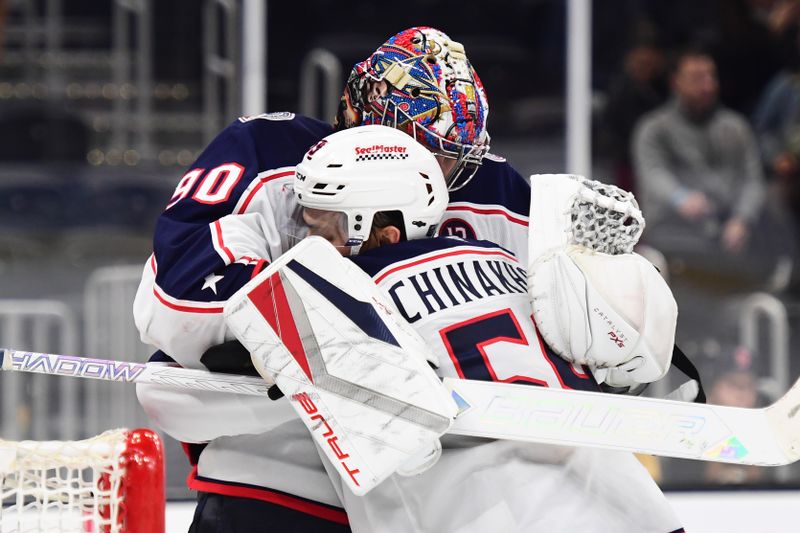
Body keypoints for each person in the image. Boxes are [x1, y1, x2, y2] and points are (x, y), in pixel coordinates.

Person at [134, 27, 530, 531]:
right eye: (429, 149)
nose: (442, 172)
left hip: (446, 489)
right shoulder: (266, 153)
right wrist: (326, 346)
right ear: (367, 121)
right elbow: (177, 302)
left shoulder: (491, 186)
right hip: (280, 480)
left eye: (453, 155)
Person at [287, 124, 684, 532]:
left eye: (325, 229)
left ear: (385, 231)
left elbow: (396, 449)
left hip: (494, 508)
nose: (307, 242)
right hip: (625, 500)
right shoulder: (510, 261)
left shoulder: (343, 291)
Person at [632, 48, 766, 262]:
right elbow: (653, 174)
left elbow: (752, 179)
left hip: (729, 234)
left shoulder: (735, 127)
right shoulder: (654, 128)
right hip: (674, 235)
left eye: (711, 76)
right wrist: (681, 198)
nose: (707, 85)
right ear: (676, 82)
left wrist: (742, 219)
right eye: (697, 78)